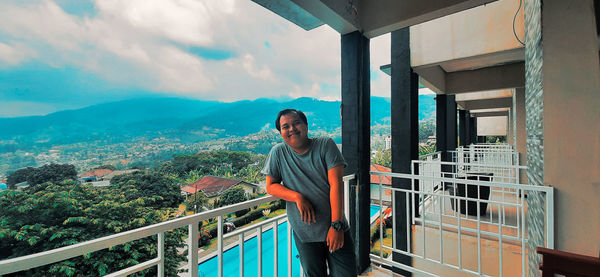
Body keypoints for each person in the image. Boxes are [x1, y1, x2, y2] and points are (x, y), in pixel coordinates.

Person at [262, 109, 357, 277]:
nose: (292, 129)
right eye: (285, 126)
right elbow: (271, 185)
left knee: (346, 274)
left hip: (334, 228)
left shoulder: (325, 144)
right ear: (280, 132)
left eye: (296, 123)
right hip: (304, 233)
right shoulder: (278, 153)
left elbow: (336, 184)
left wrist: (336, 225)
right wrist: (297, 197)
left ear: (306, 125)